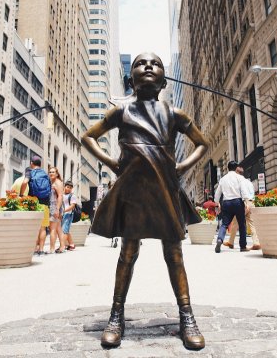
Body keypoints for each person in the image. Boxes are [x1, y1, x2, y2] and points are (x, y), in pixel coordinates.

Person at [81, 52, 208, 350]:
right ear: (131, 80)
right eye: (140, 63)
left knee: (174, 254)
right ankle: (116, 315)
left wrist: (182, 167)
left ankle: (186, 316)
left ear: (163, 81)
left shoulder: (175, 114)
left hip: (165, 188)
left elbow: (203, 144)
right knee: (127, 252)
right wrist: (112, 163)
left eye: (155, 63)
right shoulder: (121, 112)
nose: (148, 66)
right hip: (133, 191)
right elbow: (88, 137)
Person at [214, 161, 249, 253]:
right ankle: (243, 246)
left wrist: (217, 203)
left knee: (225, 224)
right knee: (241, 224)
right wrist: (246, 201)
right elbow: (243, 190)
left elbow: (217, 193)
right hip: (237, 202)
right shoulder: (239, 177)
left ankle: (220, 239)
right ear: (236, 168)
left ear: (228, 168)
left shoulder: (223, 179)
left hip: (226, 202)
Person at [20, 156, 51, 255]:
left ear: (31, 163)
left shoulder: (30, 171)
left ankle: (33, 249)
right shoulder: (45, 174)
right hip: (45, 203)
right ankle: (41, 250)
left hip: (34, 202)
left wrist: (21, 194)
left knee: (34, 227)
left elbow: (25, 182)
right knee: (43, 228)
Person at [224, 165, 260, 250]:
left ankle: (231, 242)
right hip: (251, 202)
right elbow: (252, 193)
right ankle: (256, 242)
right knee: (252, 223)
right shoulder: (249, 182)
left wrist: (244, 202)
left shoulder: (238, 181)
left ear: (236, 172)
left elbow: (241, 193)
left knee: (235, 221)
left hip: (243, 203)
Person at [47, 166, 66, 253]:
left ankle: (52, 248)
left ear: (57, 174)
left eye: (53, 172)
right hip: (53, 206)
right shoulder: (52, 182)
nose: (51, 173)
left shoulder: (57, 183)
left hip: (55, 207)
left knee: (53, 229)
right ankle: (62, 247)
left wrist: (57, 209)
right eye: (50, 172)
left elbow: (60, 196)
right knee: (58, 228)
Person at [62, 181, 78, 251]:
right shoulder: (62, 195)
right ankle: (71, 244)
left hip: (68, 214)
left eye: (70, 188)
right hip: (62, 214)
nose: (68, 189)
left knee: (64, 230)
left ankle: (62, 246)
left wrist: (64, 211)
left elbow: (72, 206)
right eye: (67, 187)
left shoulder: (72, 196)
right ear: (64, 186)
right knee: (66, 230)